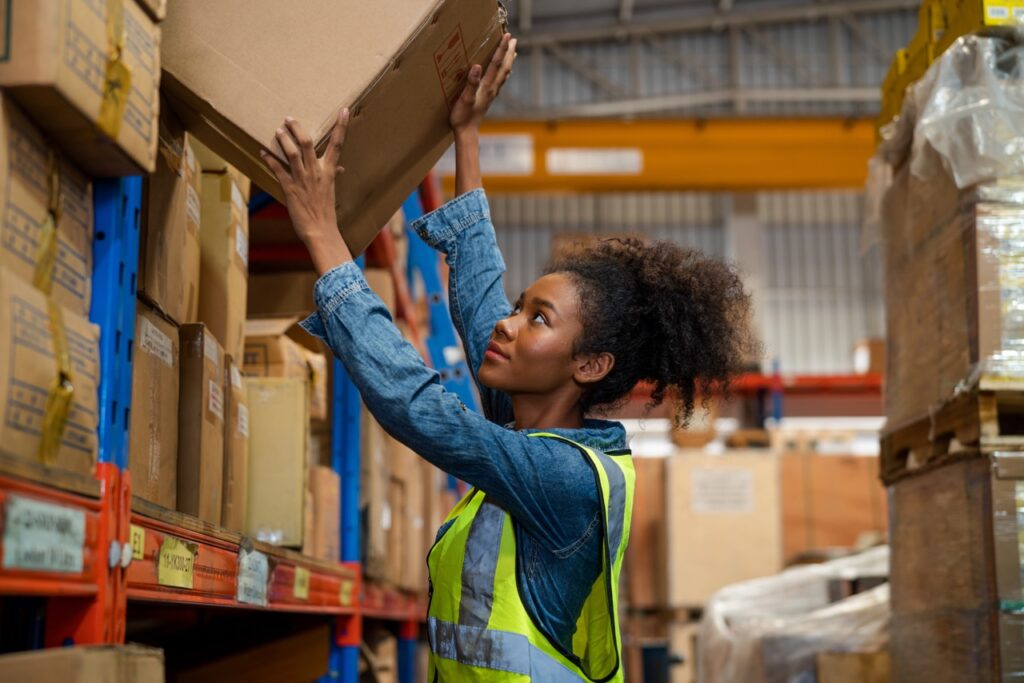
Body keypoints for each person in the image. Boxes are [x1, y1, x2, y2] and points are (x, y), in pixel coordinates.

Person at [262, 33, 756, 682]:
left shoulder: (566, 476)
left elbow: (419, 409)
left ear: (589, 365)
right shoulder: (529, 425)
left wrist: (323, 234)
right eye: (523, 306)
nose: (508, 323)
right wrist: (466, 134)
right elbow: (476, 296)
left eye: (538, 319)